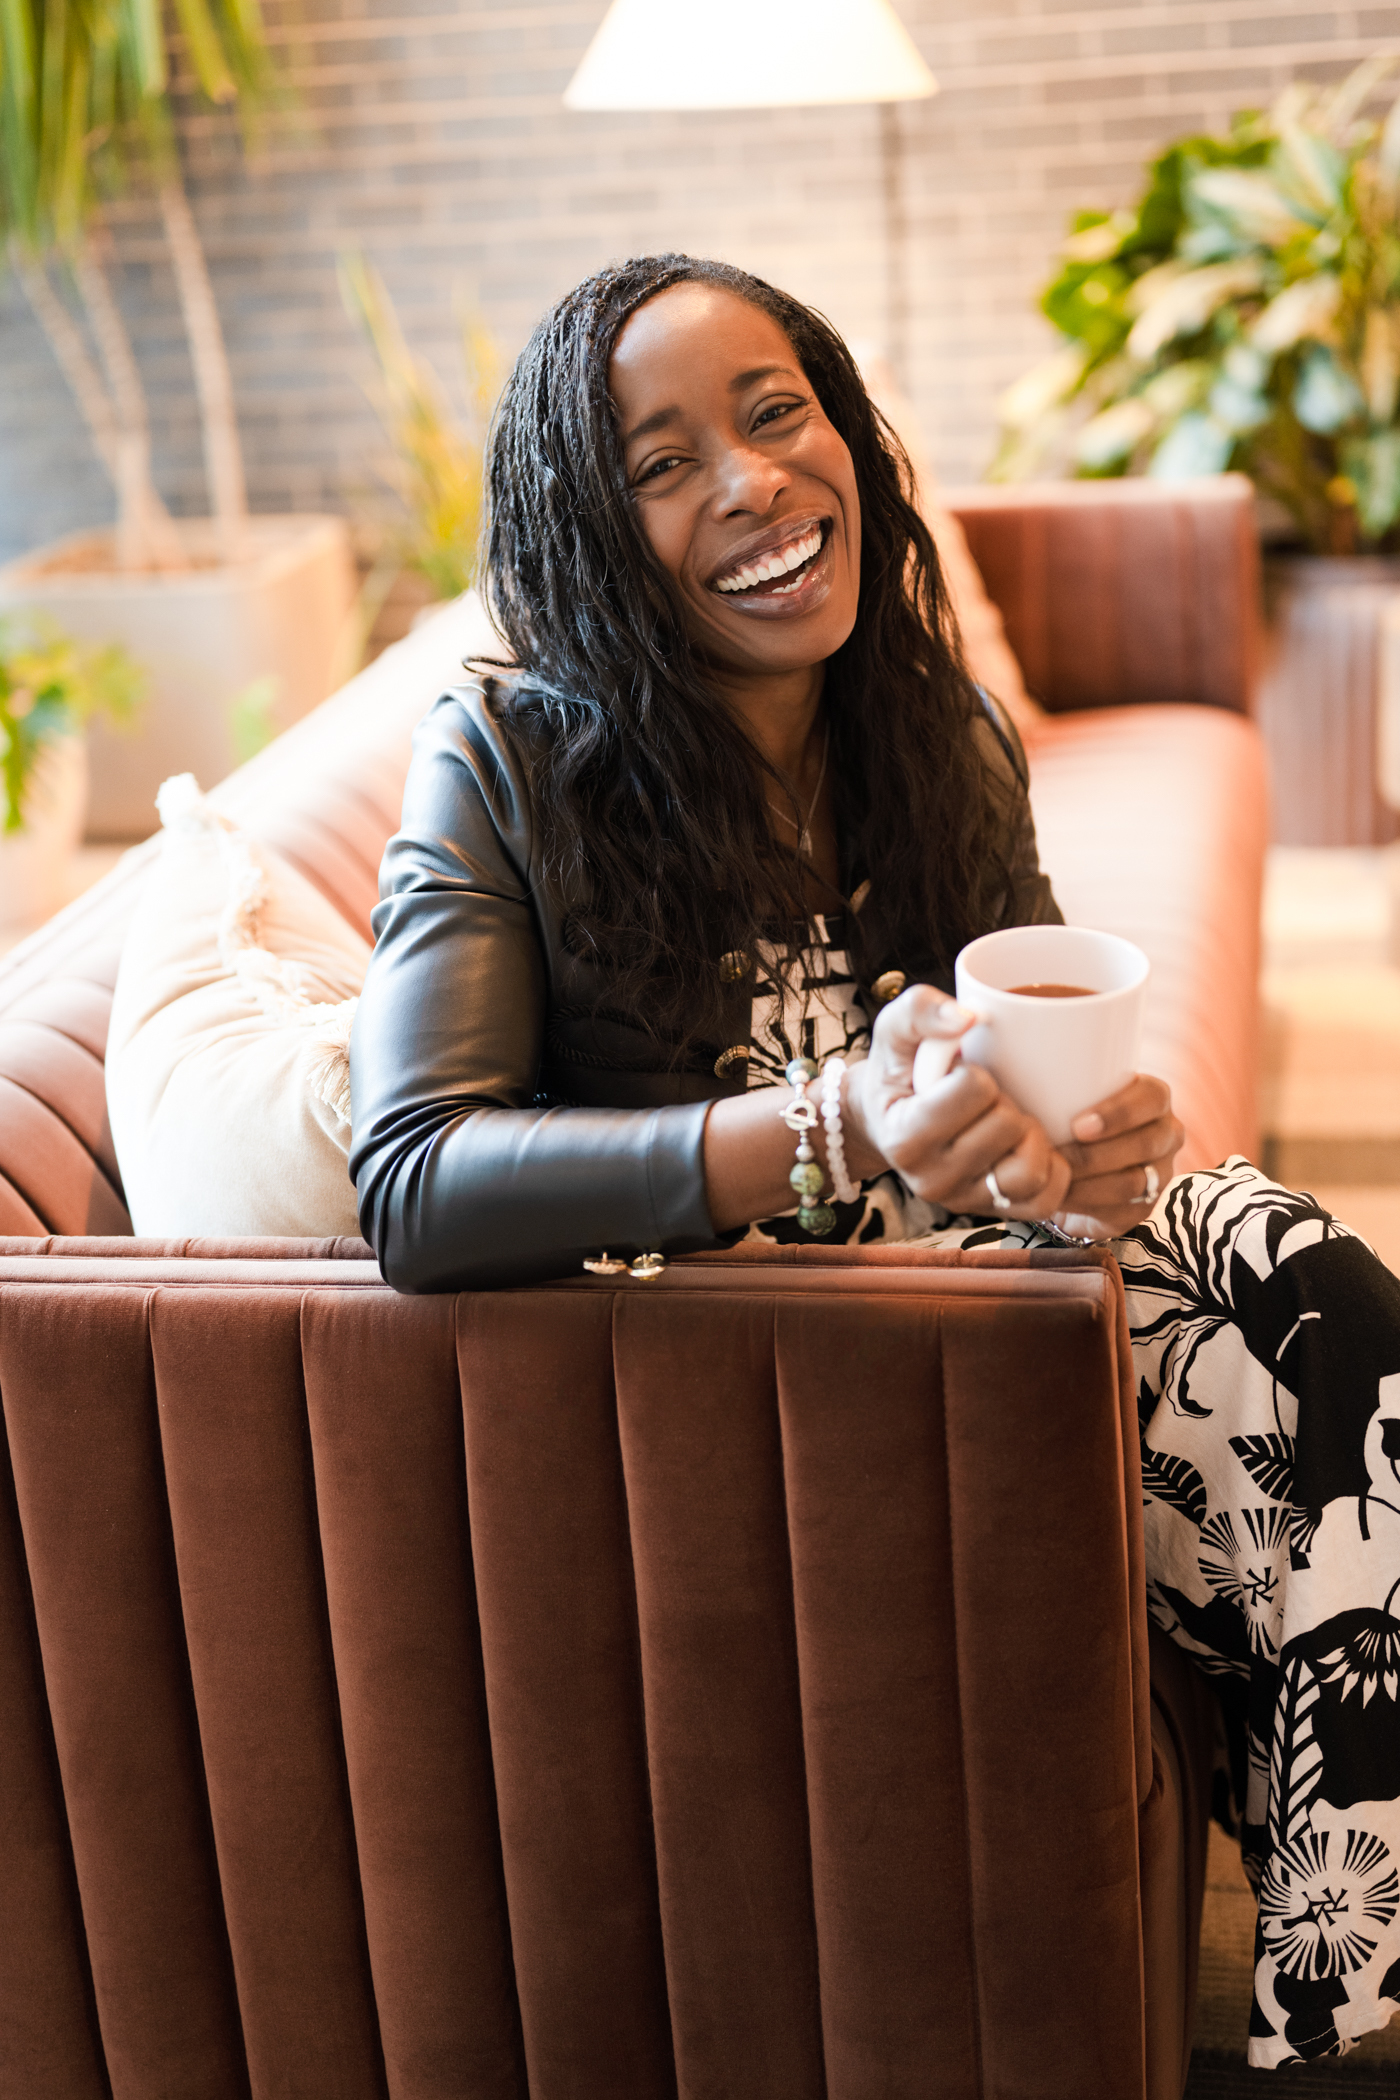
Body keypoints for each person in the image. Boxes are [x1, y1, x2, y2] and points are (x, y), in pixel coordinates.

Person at [349, 254, 1400, 2067]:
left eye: (776, 412)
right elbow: (415, 1183)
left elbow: (1030, 1134)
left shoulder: (936, 733)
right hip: (712, 1382)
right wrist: (825, 1121)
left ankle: (1337, 1986)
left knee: (1323, 1327)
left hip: (951, 1320)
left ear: (846, 432)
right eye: (662, 461)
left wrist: (1086, 1160)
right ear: (592, 529)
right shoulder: (504, 760)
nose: (753, 480)